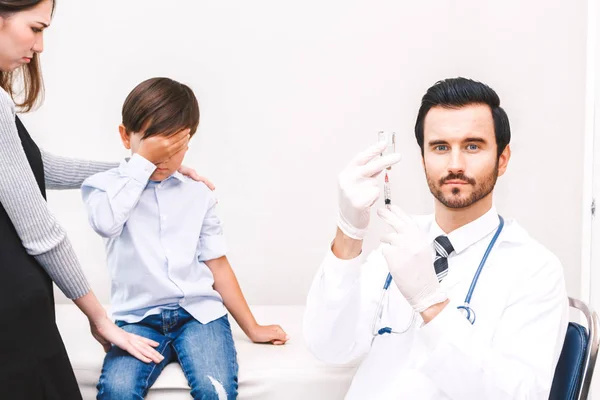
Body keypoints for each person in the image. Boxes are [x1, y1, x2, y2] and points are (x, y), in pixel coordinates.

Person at [303, 77, 569, 399]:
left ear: (502, 158)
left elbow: (519, 395)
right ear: (423, 158)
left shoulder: (535, 269)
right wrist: (349, 233)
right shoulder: (399, 244)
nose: (455, 165)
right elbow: (329, 347)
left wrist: (432, 304)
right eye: (440, 147)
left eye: (473, 146)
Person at [0, 2, 212, 399]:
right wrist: (100, 319)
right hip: (11, 306)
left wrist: (141, 167)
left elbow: (34, 165)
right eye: (36, 27)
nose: (41, 45)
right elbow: (41, 233)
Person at [82, 77, 289, 400]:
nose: (163, 159)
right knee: (118, 391)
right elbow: (107, 224)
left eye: (175, 148)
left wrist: (252, 327)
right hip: (138, 320)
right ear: (125, 136)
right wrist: (141, 165)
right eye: (154, 147)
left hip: (198, 314)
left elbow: (217, 264)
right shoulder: (105, 188)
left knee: (215, 390)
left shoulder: (197, 193)